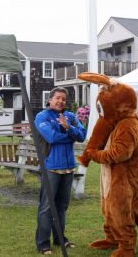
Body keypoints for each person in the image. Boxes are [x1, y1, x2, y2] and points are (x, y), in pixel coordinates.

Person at [34, 87, 87, 255]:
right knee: (46, 207)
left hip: (68, 168)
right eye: (57, 98)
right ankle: (43, 243)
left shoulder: (70, 116)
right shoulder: (42, 117)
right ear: (49, 100)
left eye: (64, 99)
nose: (61, 101)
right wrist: (70, 136)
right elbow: (51, 137)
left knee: (62, 206)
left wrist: (68, 128)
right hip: (51, 167)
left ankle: (60, 238)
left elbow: (82, 135)